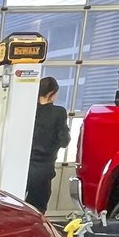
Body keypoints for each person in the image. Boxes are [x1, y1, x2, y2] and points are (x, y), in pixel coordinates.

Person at [25, 76, 71, 214]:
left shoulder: (29, 111)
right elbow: (64, 141)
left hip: (24, 168)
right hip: (43, 170)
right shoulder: (59, 112)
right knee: (38, 211)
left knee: (18, 208)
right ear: (51, 94)